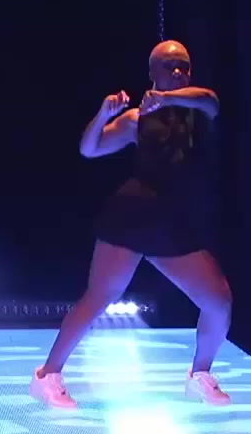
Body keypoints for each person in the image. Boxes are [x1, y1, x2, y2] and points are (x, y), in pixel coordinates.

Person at [30, 40, 234, 408]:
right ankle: (47, 376)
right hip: (133, 216)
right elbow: (90, 149)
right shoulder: (136, 119)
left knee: (218, 300)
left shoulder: (201, 108)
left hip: (173, 222)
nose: (178, 72)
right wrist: (103, 114)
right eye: (169, 66)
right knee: (99, 297)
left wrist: (167, 99)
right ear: (152, 72)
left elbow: (208, 99)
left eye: (184, 66)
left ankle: (200, 375)